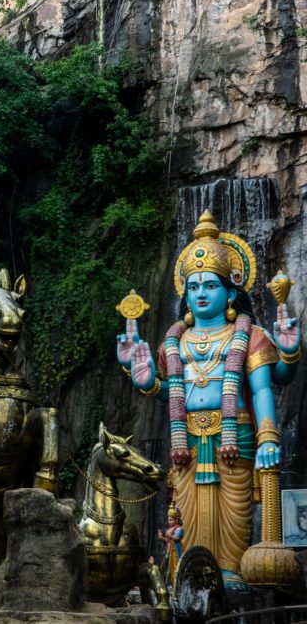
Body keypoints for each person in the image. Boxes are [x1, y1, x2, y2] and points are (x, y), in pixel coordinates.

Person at [119, 210, 300, 590]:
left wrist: (269, 436)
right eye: (194, 286)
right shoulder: (175, 341)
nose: (201, 294)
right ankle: (189, 582)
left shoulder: (251, 335)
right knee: (187, 517)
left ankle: (230, 580)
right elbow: (172, 393)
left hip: (237, 438)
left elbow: (264, 387)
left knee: (233, 520)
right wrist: (149, 381)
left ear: (231, 290)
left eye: (210, 286)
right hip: (186, 442)